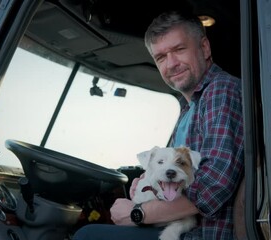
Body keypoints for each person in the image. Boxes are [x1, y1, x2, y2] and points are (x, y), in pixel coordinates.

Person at [72, 9, 244, 240]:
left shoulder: (221, 91)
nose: (171, 63)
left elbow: (213, 185)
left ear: (204, 48)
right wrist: (150, 183)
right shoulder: (189, 108)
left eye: (179, 49)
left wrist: (138, 213)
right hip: (180, 229)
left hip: (202, 235)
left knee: (87, 235)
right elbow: (180, 177)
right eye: (161, 57)